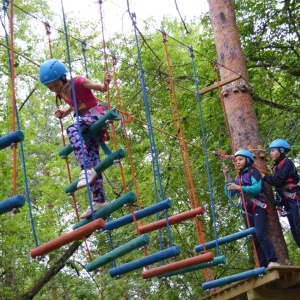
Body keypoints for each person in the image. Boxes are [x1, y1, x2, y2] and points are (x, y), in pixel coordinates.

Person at [39, 58, 111, 219]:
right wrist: (64, 112)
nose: (53, 89)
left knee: (72, 129)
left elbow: (101, 89)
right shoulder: (63, 93)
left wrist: (106, 83)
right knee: (93, 157)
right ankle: (99, 200)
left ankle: (85, 168)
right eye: (49, 88)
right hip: (85, 122)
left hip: (95, 115)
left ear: (64, 77)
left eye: (55, 85)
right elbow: (75, 105)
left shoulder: (79, 82)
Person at [223, 149, 279, 268]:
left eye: (240, 159)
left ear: (247, 160)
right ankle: (263, 265)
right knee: (254, 238)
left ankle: (273, 260)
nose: (237, 162)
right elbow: (229, 194)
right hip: (245, 209)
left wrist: (238, 188)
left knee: (260, 233)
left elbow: (256, 189)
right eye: (236, 160)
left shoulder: (253, 172)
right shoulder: (238, 177)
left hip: (257, 206)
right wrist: (226, 178)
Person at [261, 139, 300, 247]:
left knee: (299, 227)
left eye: (273, 150)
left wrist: (264, 177)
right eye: (270, 151)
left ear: (281, 150)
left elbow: (278, 180)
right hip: (288, 200)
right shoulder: (277, 167)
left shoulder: (287, 162)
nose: (271, 153)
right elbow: (279, 185)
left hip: (294, 197)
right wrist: (280, 201)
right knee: (295, 232)